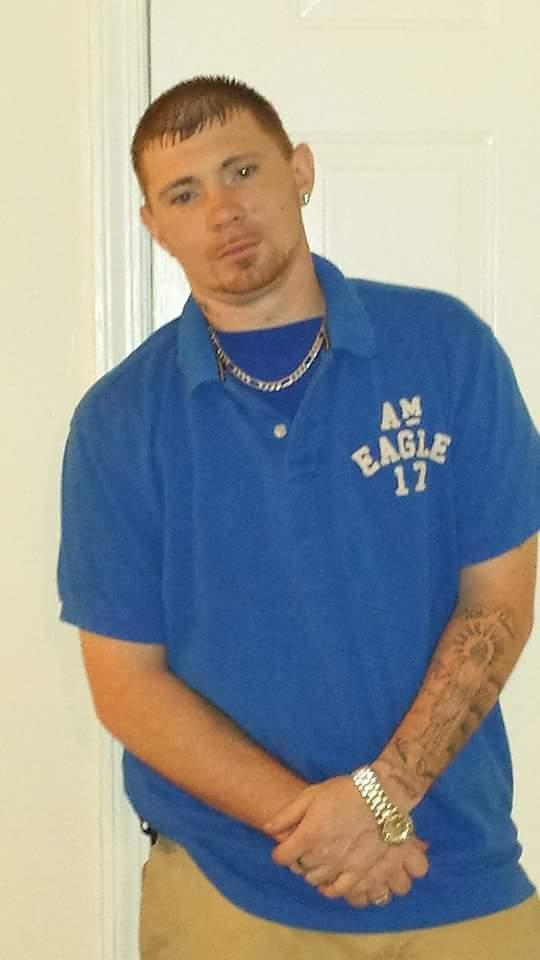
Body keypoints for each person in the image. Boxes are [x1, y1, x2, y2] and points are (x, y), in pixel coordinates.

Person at [58, 75, 540, 959]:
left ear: (301, 172)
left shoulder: (446, 349)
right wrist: (329, 828)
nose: (223, 211)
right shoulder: (119, 420)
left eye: (242, 171)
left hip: (456, 877)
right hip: (229, 895)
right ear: (153, 227)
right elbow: (126, 684)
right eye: (184, 194)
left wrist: (384, 796)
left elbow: (499, 601)